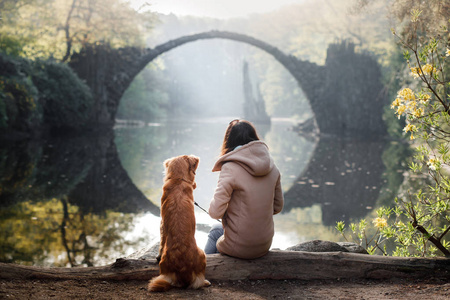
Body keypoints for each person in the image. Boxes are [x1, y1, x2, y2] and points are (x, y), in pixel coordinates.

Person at [204, 119, 284, 259]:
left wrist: (230, 214)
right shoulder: (272, 167)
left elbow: (215, 212)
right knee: (220, 231)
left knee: (215, 231)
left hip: (240, 247)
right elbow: (277, 207)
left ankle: (203, 270)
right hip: (264, 244)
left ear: (229, 141)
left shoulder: (230, 168)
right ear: (254, 139)